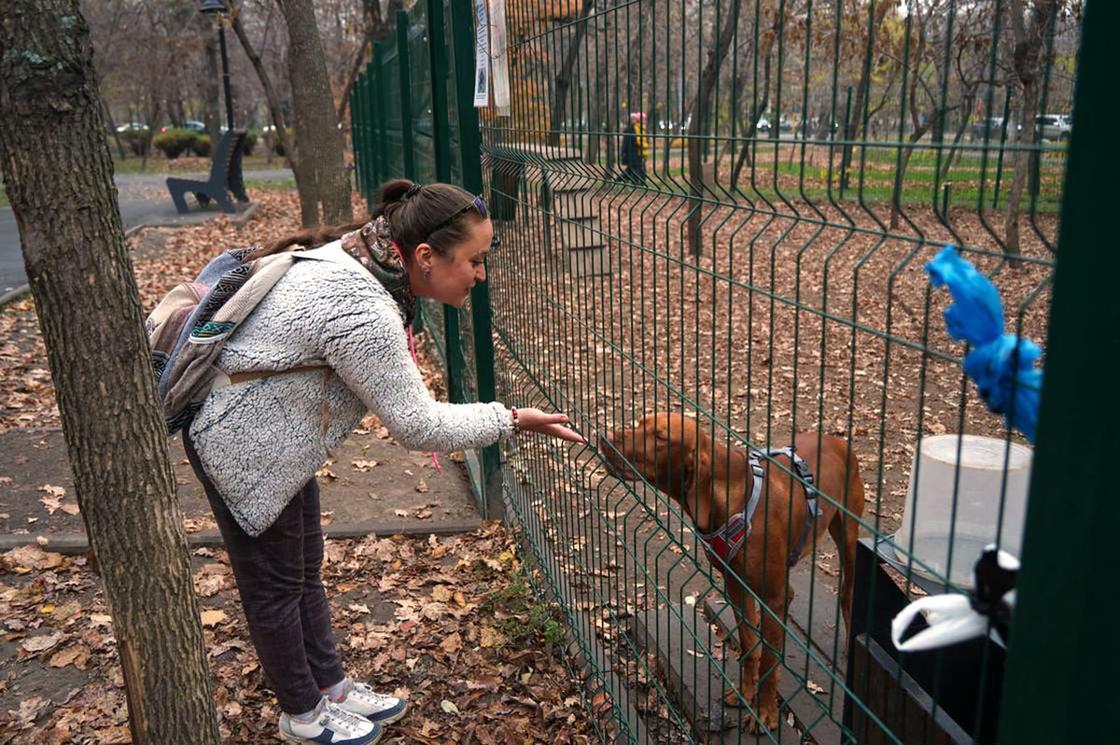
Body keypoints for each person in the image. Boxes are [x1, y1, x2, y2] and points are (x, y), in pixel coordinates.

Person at [181, 179, 584, 744]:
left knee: (302, 572)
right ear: (424, 256)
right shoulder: (364, 308)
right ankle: (302, 714)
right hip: (244, 445)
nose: (480, 274)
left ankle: (331, 688)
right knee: (274, 586)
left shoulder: (362, 258)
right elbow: (416, 426)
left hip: (277, 435)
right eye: (474, 260)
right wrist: (512, 418)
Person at [618, 111, 650, 185]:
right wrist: (624, 153)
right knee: (634, 170)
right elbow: (634, 143)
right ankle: (637, 183)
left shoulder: (641, 129)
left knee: (633, 170)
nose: (645, 121)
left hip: (639, 153)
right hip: (634, 154)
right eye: (644, 119)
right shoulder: (632, 130)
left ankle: (638, 183)